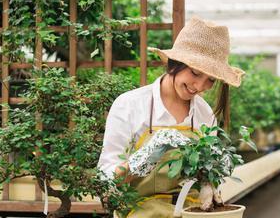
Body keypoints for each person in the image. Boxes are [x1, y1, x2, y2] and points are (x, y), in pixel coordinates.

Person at [97, 16, 244, 217]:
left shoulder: (203, 112)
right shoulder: (130, 105)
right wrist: (143, 159)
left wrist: (210, 180)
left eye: (211, 80)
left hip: (191, 211)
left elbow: (209, 168)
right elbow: (105, 178)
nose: (200, 87)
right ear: (175, 63)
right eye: (194, 72)